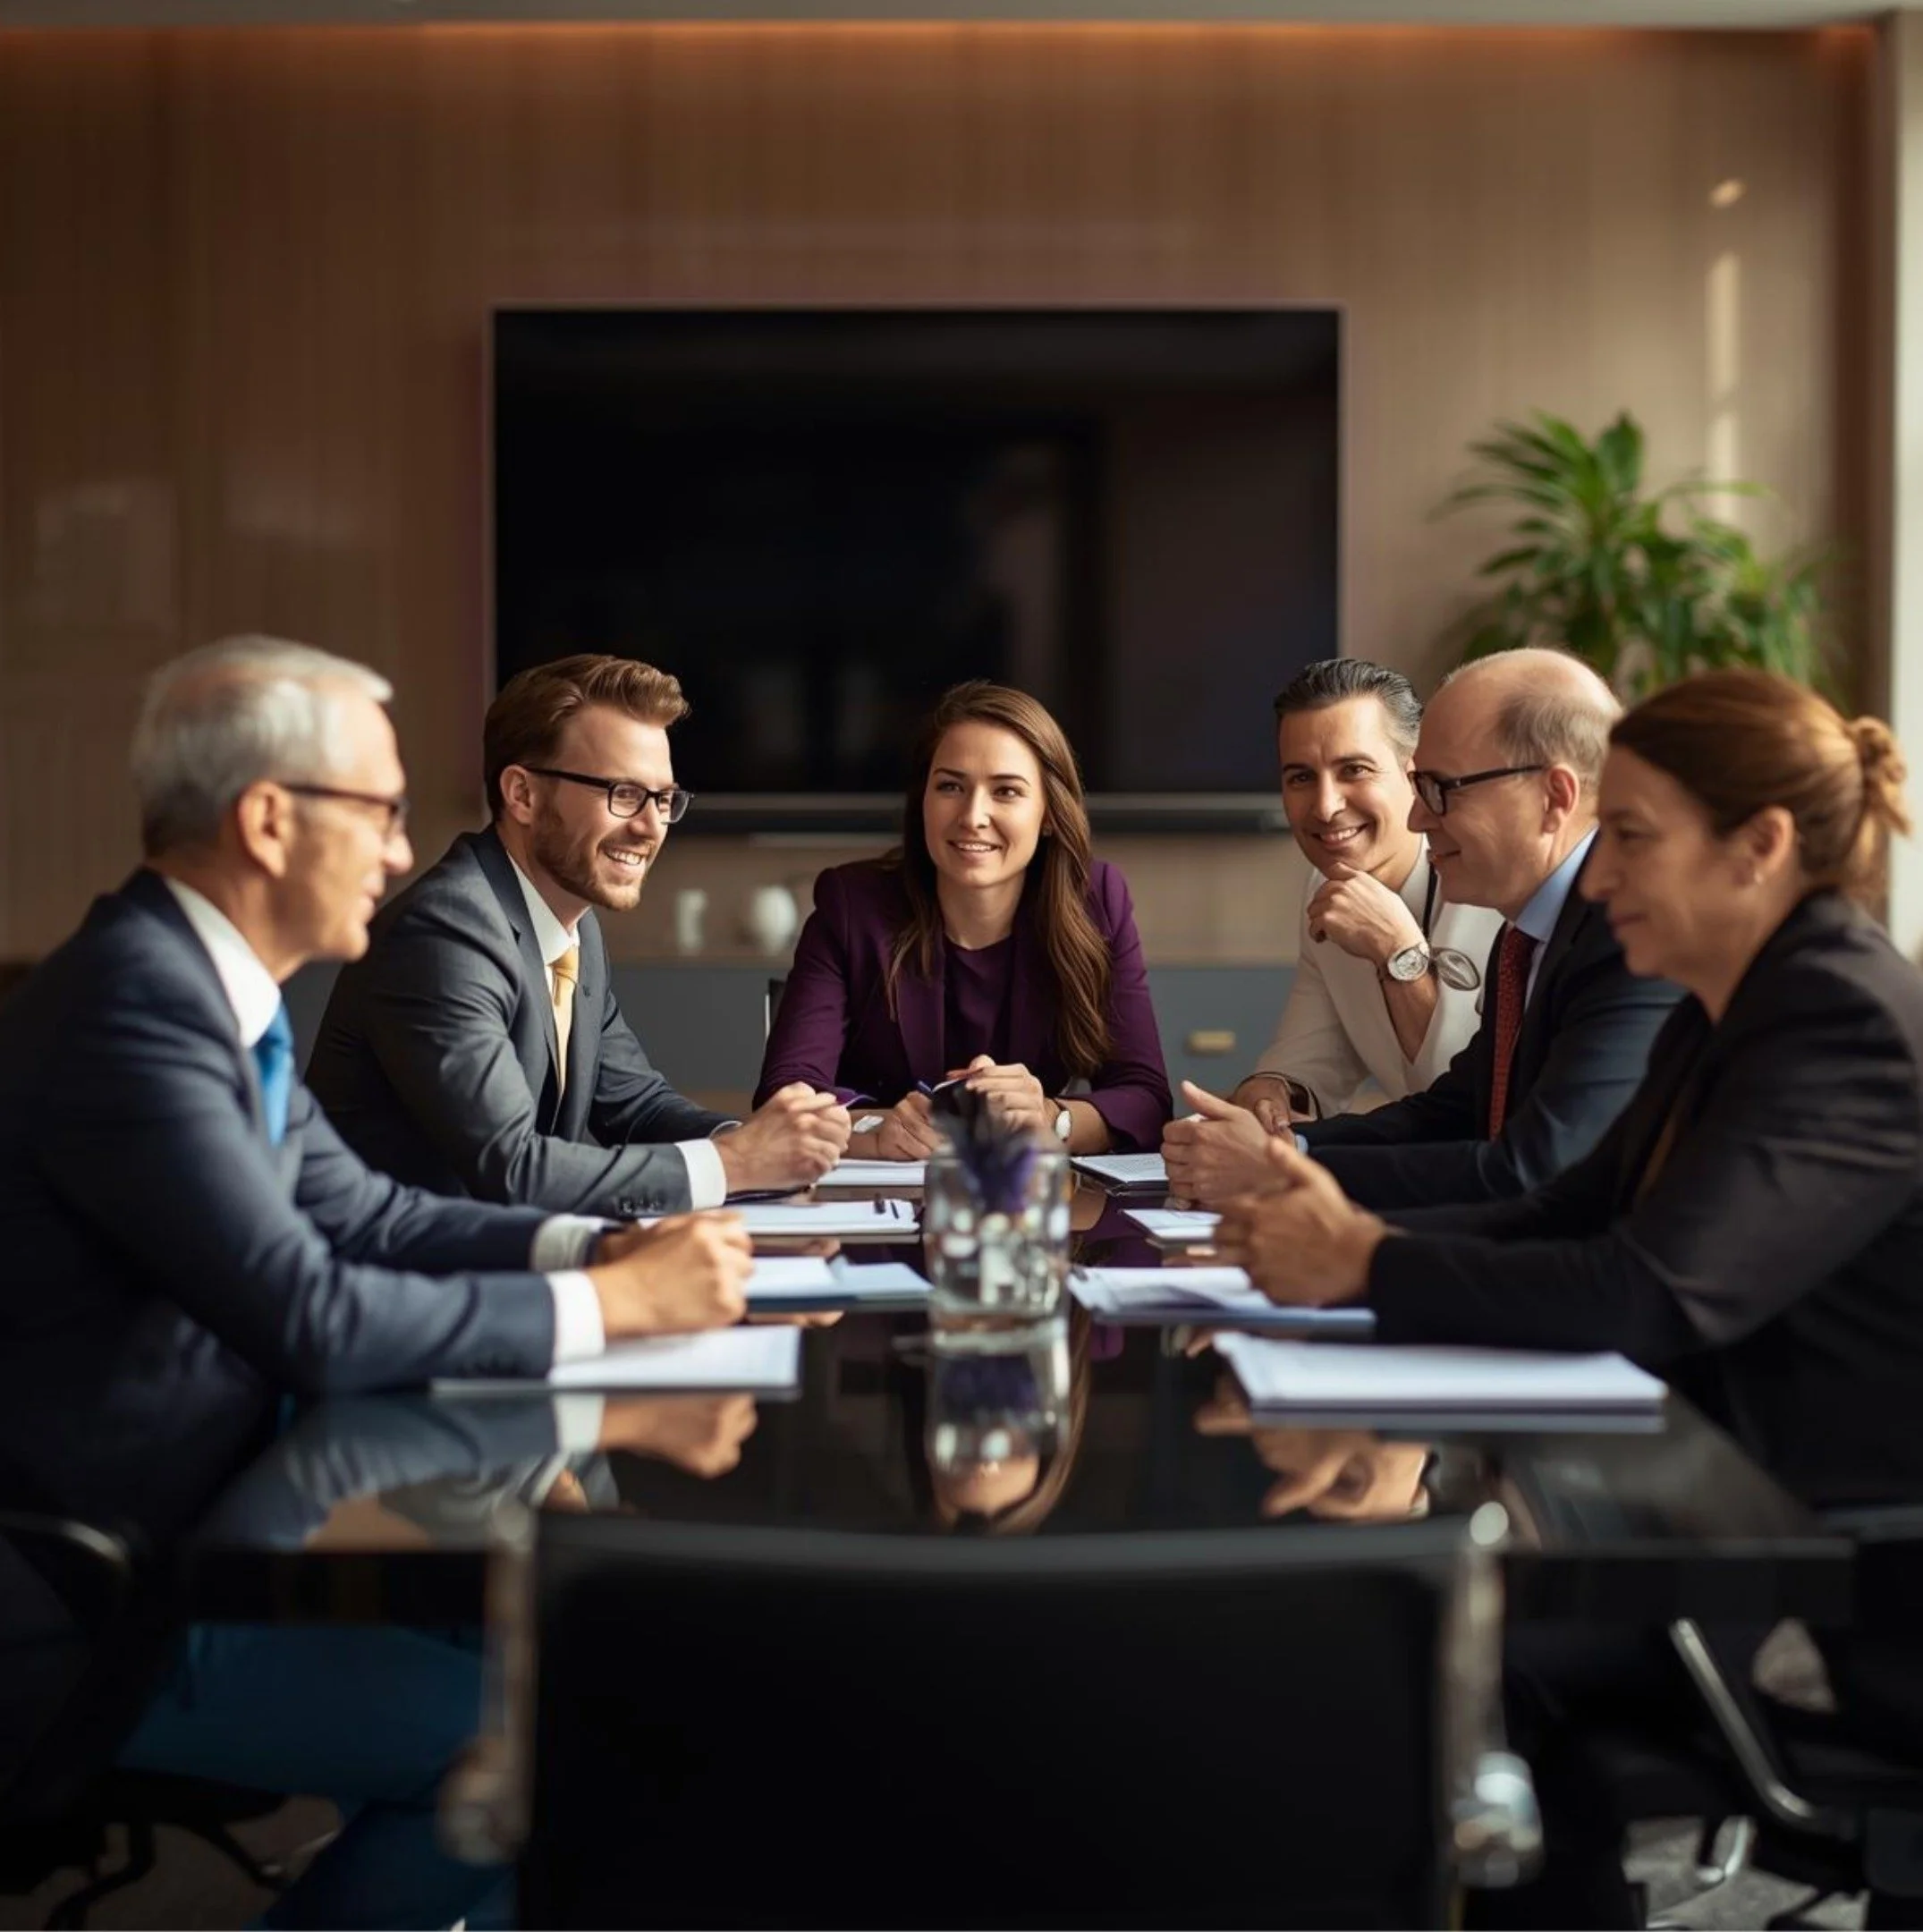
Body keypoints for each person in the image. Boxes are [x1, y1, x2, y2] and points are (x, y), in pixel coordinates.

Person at [1213, 670, 1923, 1923]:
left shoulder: (1837, 1016)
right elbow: (1568, 1209)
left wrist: (1361, 1263)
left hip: (1861, 1586)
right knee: (1444, 1644)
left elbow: (1645, 1290)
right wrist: (1334, 1252)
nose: (1600, 875)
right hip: (1736, 1509)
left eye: (1631, 838)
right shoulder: (1740, 999)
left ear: (1757, 847)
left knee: (1451, 1658)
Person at [0, 637, 754, 1542]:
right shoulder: (136, 1007)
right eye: (377, 813)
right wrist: (615, 1302)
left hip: (258, 1480)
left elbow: (369, 1217)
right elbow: (311, 1313)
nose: (398, 855)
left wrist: (598, 1252)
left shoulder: (198, 988)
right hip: (146, 1554)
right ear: (268, 822)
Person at [309, 654, 850, 1216]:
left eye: (663, 799)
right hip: (403, 1265)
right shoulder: (446, 932)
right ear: (522, 794)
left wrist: (768, 1143)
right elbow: (514, 1169)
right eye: (623, 793)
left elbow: (636, 1105)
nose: (650, 827)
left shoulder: (572, 925)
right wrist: (736, 1162)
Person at [1165, 648, 1680, 1209]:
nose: (1418, 814)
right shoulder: (1527, 927)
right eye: (1300, 777)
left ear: (1555, 797)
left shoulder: (1633, 930)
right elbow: (1458, 1109)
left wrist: (1283, 1173)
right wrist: (1288, 1147)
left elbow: (1531, 1170)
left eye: (1442, 787)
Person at [756, 680, 1172, 1159]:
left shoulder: (1096, 901)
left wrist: (1051, 1118)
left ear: (1049, 814)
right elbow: (784, 1097)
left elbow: (1145, 1100)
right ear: (924, 800)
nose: (973, 816)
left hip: (1025, 1195)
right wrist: (875, 1128)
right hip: (879, 1196)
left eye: (1006, 791)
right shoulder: (853, 904)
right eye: (950, 786)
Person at [1226, 658, 1502, 1128]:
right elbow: (1310, 1056)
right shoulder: (1326, 888)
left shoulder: (1494, 887)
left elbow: (1477, 1107)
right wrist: (1270, 1092)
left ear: (1415, 775)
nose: (1325, 806)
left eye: (1354, 769)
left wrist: (1398, 954)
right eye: (1301, 778)